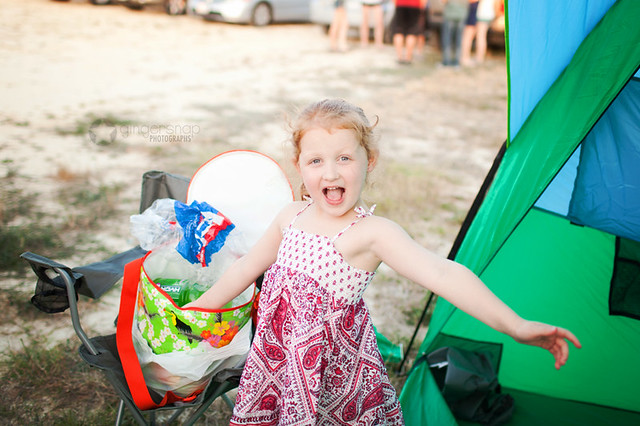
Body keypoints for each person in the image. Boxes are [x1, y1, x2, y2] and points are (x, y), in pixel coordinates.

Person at [185, 98, 582, 424]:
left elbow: (443, 273)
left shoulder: (371, 234)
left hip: (335, 388)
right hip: (277, 369)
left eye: (344, 158)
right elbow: (244, 269)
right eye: (316, 161)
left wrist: (515, 325)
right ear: (299, 166)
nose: (330, 172)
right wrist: (195, 313)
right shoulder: (290, 217)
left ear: (369, 160)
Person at [440, 0, 469, 68]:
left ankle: (446, 61)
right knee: (459, 39)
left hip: (450, 14)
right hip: (461, 15)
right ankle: (457, 62)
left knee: (447, 39)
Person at [460, 0, 479, 67]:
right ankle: (464, 58)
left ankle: (465, 57)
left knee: (468, 37)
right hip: (471, 14)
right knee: (467, 37)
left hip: (473, 13)